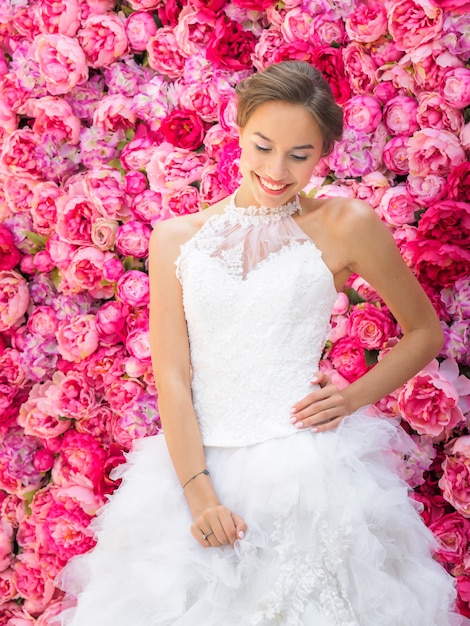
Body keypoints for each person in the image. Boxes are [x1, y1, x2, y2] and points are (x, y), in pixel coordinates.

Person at [56, 61, 467, 626]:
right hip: (197, 466)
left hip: (309, 471)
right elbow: (173, 375)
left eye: (300, 155)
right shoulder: (177, 239)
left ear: (324, 152)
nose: (277, 170)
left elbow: (425, 331)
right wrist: (199, 495)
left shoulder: (346, 223)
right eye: (263, 146)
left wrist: (349, 398)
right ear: (239, 128)